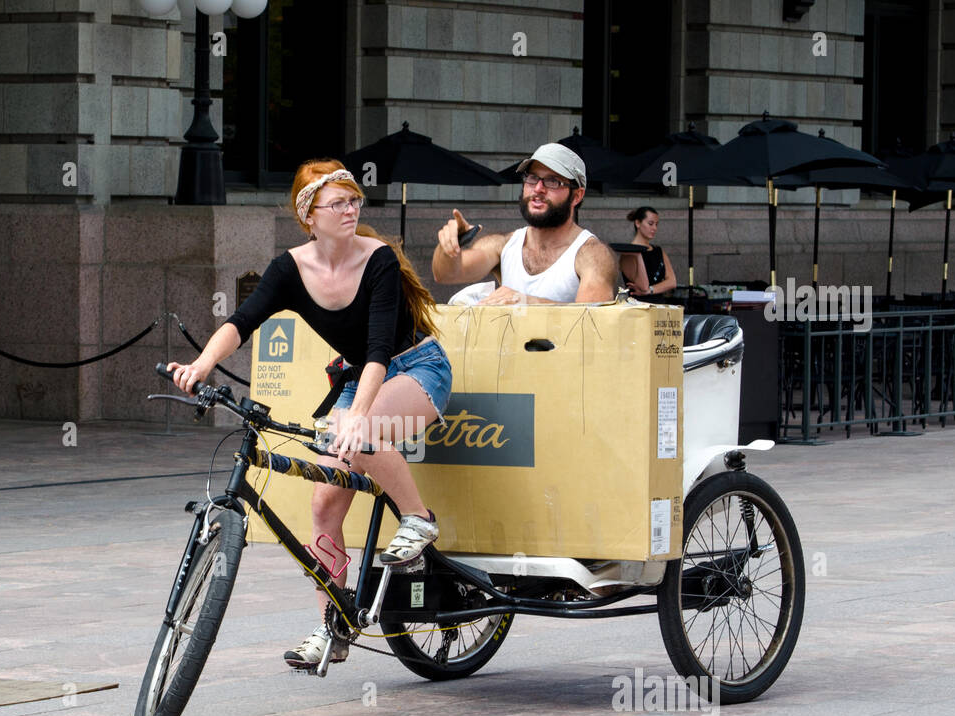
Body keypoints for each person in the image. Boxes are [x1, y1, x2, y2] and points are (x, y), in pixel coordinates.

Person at [169, 159, 452, 671]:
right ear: (309, 215)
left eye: (354, 201)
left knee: (363, 432)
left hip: (415, 367)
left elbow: (380, 351)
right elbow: (242, 321)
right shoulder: (290, 269)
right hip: (356, 375)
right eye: (338, 203)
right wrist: (201, 365)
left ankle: (419, 518)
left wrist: (357, 417)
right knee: (323, 504)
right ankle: (332, 627)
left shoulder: (379, 260)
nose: (350, 210)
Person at [432, 142, 617, 304]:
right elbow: (446, 274)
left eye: (552, 181)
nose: (538, 189)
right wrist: (449, 247)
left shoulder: (592, 254)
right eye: (532, 178)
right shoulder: (503, 245)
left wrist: (528, 303)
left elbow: (591, 321)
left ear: (577, 195)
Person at [620, 206, 677, 297]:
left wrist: (650, 290)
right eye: (650, 224)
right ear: (638, 223)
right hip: (639, 305)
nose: (654, 228)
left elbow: (672, 281)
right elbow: (643, 286)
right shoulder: (629, 252)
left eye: (656, 224)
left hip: (659, 305)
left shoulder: (658, 250)